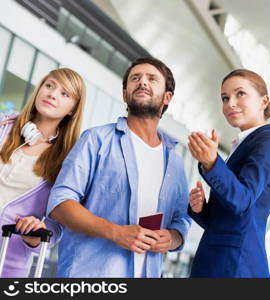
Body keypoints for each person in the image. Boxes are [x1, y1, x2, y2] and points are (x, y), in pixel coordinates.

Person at [47, 57, 191, 278]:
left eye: (152, 79)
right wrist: (115, 232)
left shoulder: (175, 162)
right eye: (135, 78)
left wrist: (172, 237)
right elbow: (60, 203)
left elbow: (181, 218)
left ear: (167, 97)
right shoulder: (95, 140)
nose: (142, 82)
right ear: (125, 94)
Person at [187, 69, 270, 277]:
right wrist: (201, 210)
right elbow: (228, 218)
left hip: (236, 266)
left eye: (240, 93)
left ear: (263, 101)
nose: (230, 103)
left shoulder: (269, 143)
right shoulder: (243, 145)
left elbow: (243, 200)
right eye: (225, 98)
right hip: (219, 262)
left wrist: (212, 162)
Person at [0, 68, 86, 277]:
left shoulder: (68, 161)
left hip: (8, 263)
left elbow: (57, 224)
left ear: (73, 109)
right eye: (49, 86)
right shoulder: (2, 127)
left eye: (65, 94)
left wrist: (37, 232)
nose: (52, 94)